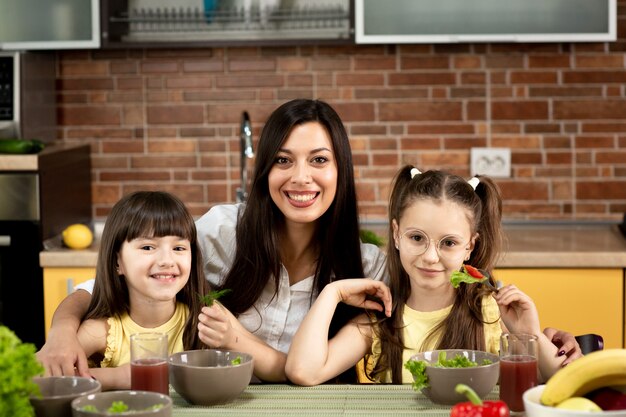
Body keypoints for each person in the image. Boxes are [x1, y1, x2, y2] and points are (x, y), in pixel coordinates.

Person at [36, 100, 581, 381]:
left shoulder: (367, 263)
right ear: (264, 170)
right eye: (283, 161)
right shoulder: (221, 234)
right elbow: (98, 286)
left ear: (339, 170)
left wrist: (544, 338)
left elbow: (457, 287)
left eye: (318, 161)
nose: (301, 178)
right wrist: (62, 334)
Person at [286, 167, 568, 385]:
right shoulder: (379, 321)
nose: (431, 256)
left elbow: (556, 384)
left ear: (470, 246)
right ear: (397, 235)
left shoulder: (490, 314)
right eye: (417, 237)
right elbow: (303, 372)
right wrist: (331, 293)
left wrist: (529, 334)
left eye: (449, 243)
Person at [74, 191, 211, 390]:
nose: (167, 260)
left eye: (179, 248)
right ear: (117, 262)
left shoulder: (204, 320)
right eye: (148, 247)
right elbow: (44, 376)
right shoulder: (101, 332)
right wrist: (119, 377)